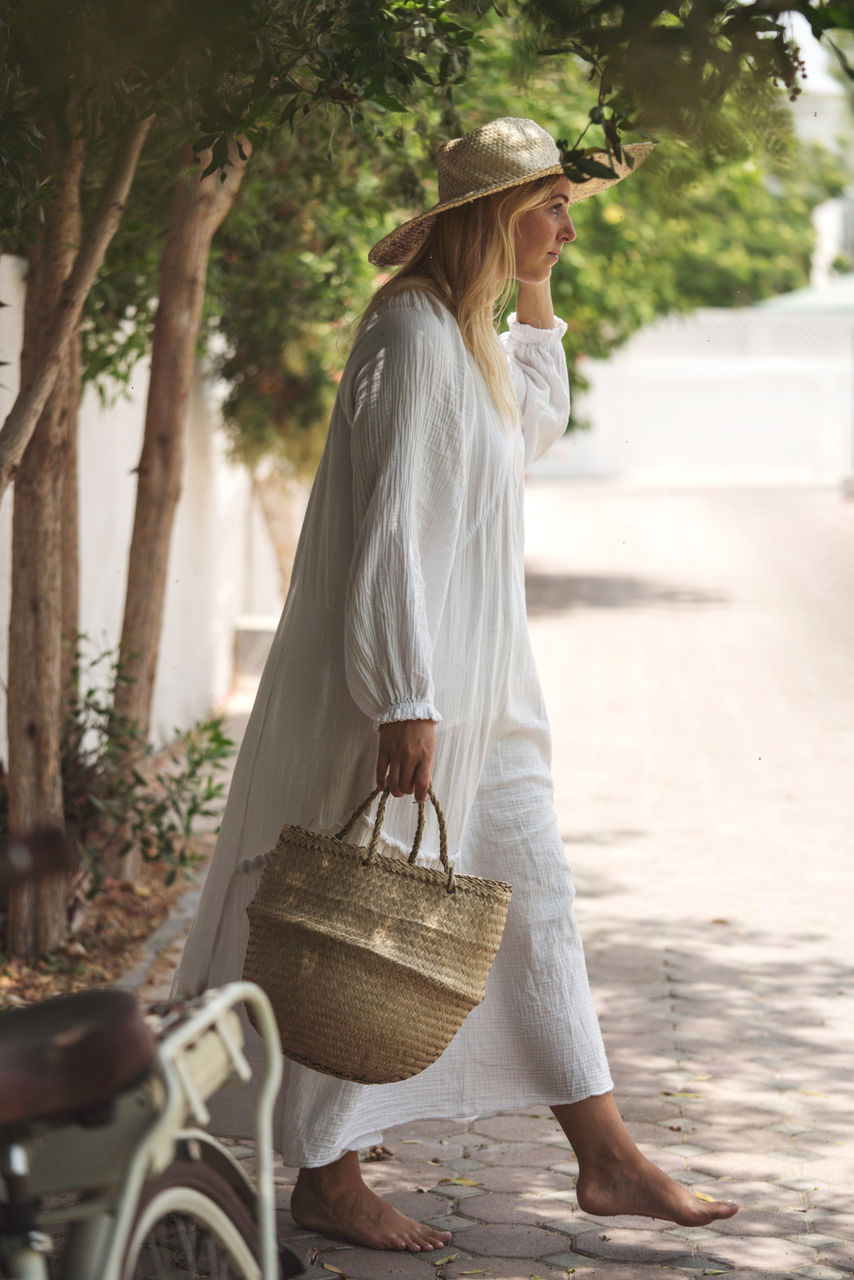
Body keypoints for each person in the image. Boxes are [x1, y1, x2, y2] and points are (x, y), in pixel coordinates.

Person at [173, 117, 739, 1252]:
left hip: (491, 692)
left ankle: (605, 1154)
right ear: (496, 211)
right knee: (357, 932)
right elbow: (386, 538)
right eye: (550, 206)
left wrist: (530, 296)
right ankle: (329, 1170)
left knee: (533, 906)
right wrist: (403, 697)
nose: (567, 225)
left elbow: (531, 427)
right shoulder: (406, 334)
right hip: (415, 694)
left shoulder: (465, 333)